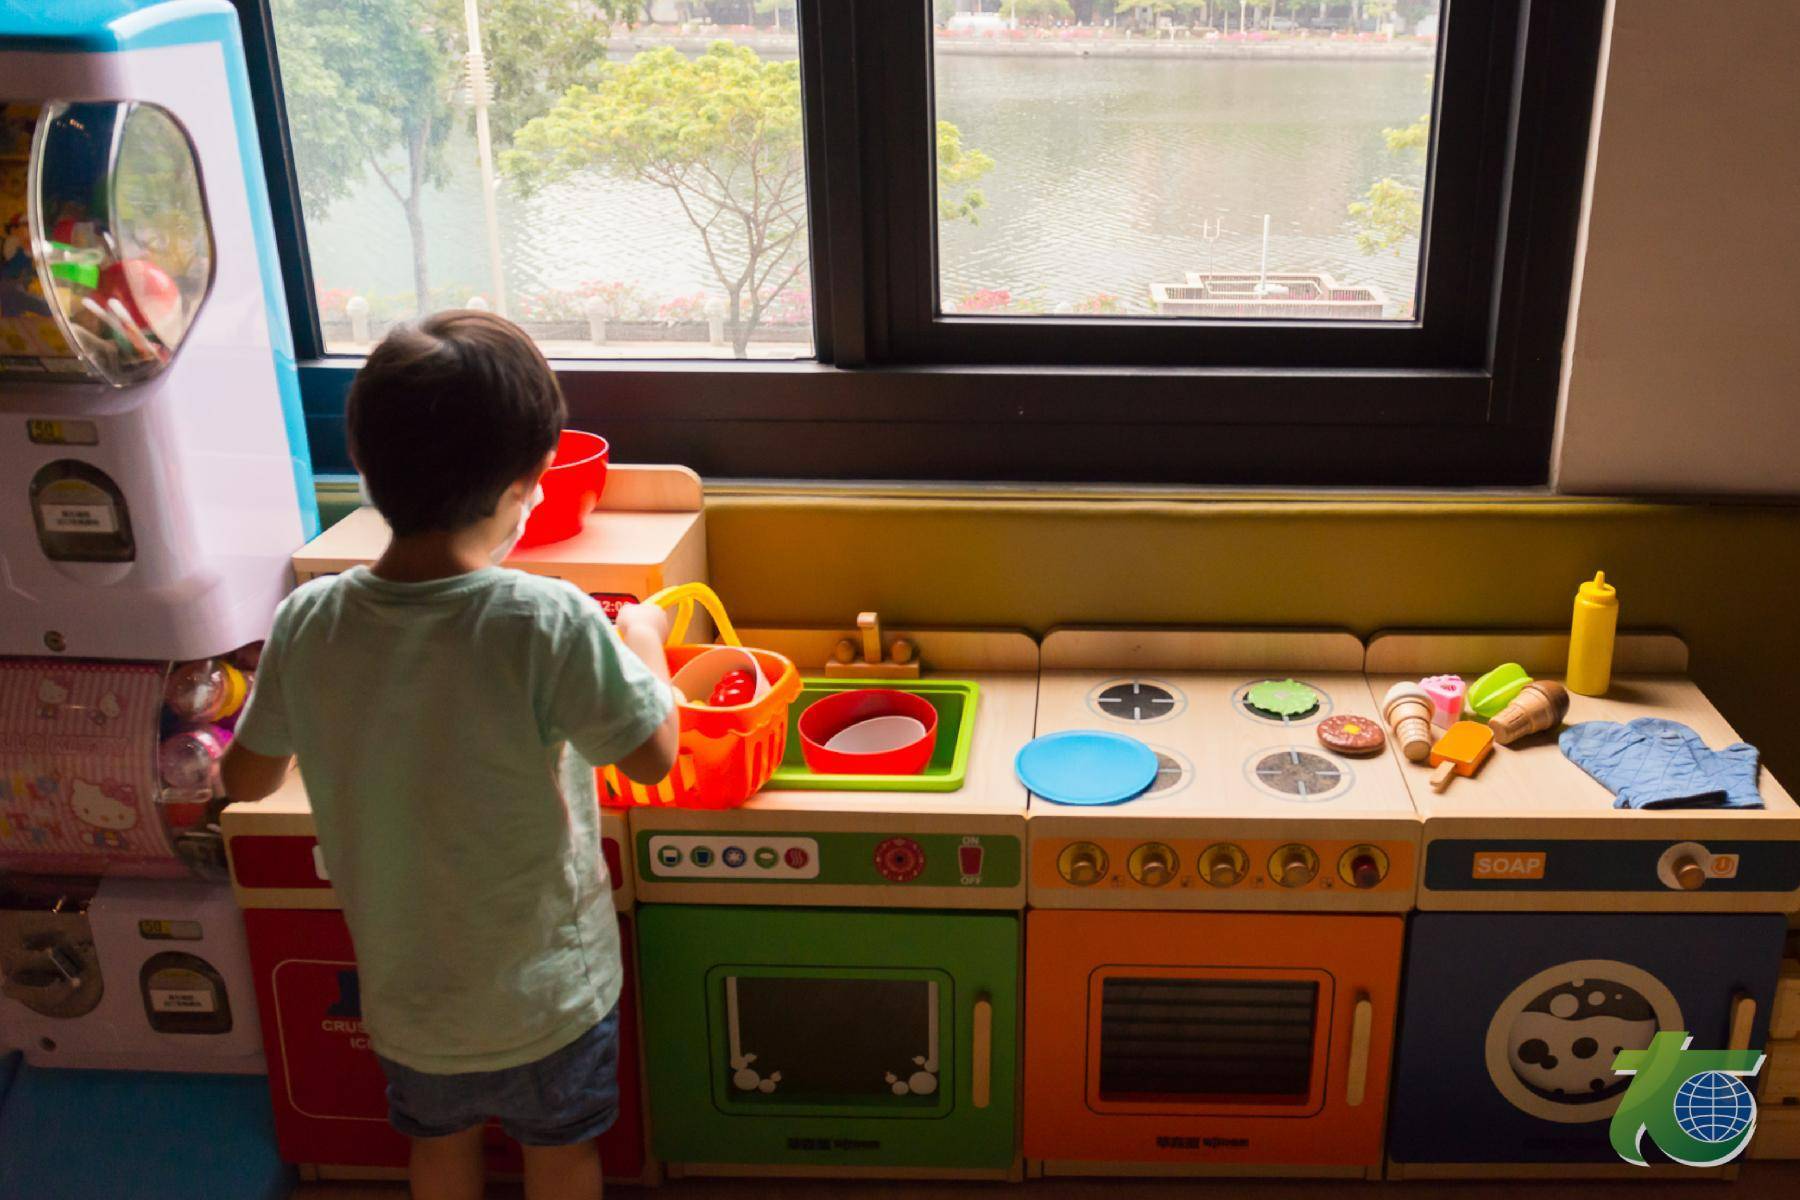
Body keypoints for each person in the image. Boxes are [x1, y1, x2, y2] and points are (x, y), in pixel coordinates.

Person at [221, 310, 678, 1200]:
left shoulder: (310, 618)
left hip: (409, 1000)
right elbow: (653, 755)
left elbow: (247, 778)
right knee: (561, 1158)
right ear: (527, 483)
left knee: (437, 1151)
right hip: (550, 997)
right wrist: (646, 640)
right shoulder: (546, 619)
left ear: (365, 468)